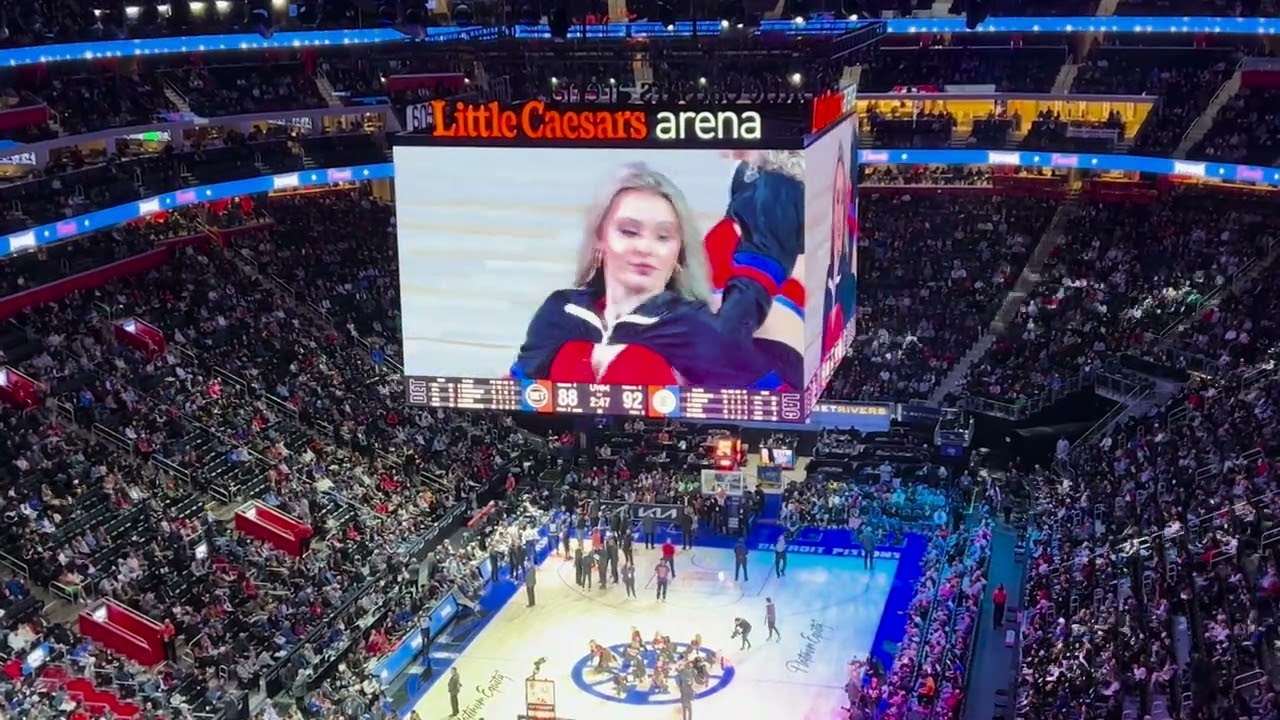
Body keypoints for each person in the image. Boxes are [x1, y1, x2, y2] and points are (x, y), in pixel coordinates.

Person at [511, 162, 802, 389]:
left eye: (663, 237)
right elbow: (513, 393)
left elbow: (780, 401)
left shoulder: (693, 327)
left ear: (678, 253)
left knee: (749, 299)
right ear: (600, 237)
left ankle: (775, 196)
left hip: (748, 332)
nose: (645, 248)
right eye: (628, 231)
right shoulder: (559, 311)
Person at [821, 143, 856, 361]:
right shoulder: (823, 280)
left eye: (843, 201)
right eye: (835, 200)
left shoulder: (848, 284)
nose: (839, 210)